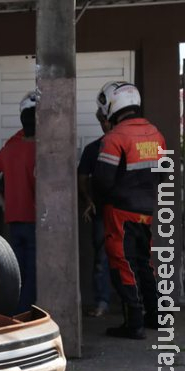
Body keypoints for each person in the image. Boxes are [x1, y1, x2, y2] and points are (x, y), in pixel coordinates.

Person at [93, 81, 164, 340]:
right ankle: (155, 317)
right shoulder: (156, 134)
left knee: (123, 264)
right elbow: (164, 174)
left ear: (113, 104)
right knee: (145, 263)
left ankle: (133, 324)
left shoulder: (115, 138)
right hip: (147, 211)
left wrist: (98, 201)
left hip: (120, 213)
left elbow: (102, 180)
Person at [0, 91, 37, 314]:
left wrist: (4, 203)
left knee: (19, 272)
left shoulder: (10, 149)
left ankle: (14, 313)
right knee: (34, 275)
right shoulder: (47, 151)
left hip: (14, 220)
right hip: (37, 223)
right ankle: (26, 316)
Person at [77, 111, 113, 317]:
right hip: (101, 213)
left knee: (132, 258)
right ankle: (102, 301)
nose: (105, 124)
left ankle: (140, 305)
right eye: (102, 120)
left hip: (126, 212)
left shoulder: (128, 145)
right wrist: (88, 200)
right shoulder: (93, 149)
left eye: (108, 119)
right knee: (101, 259)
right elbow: (82, 178)